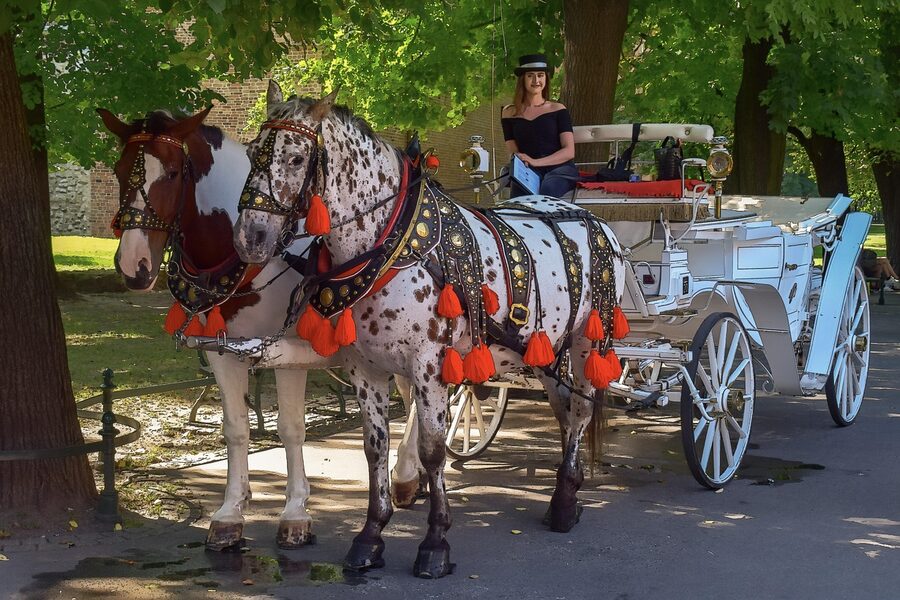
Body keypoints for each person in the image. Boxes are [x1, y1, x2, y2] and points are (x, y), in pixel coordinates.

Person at [501, 53, 578, 198]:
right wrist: (524, 164)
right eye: (530, 75)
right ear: (522, 79)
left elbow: (569, 151)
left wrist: (536, 162)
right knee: (519, 199)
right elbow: (513, 151)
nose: (536, 80)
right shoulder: (509, 113)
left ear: (545, 78)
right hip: (528, 169)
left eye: (540, 75)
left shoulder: (558, 109)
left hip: (560, 169)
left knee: (547, 190)